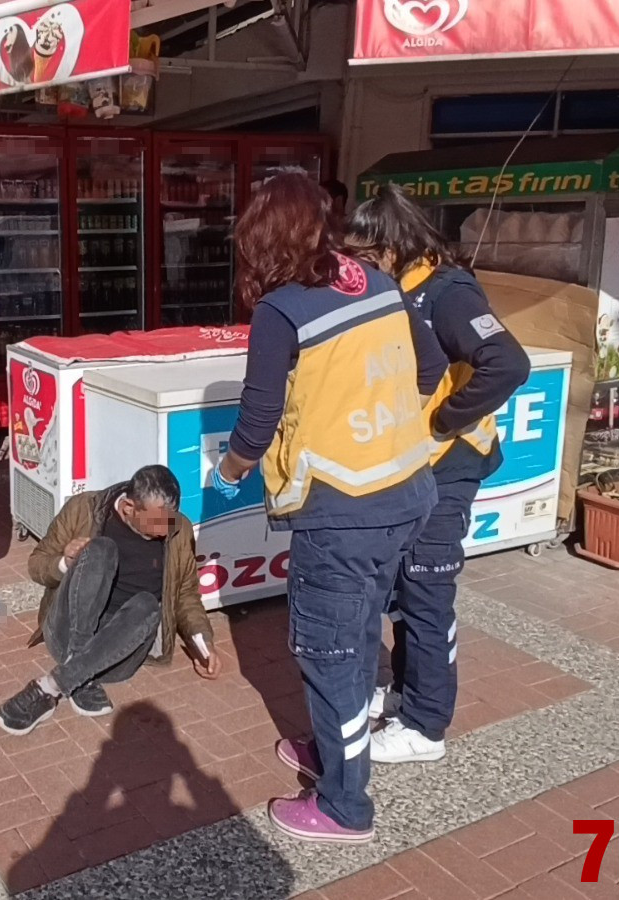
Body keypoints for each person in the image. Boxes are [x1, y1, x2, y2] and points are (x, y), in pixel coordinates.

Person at [210, 174, 447, 845]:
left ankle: (345, 806)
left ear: (262, 239)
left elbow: (255, 424)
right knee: (360, 629)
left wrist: (227, 471)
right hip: (407, 492)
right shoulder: (378, 282)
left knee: (331, 652)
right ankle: (334, 746)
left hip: (342, 511)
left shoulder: (281, 311)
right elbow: (429, 370)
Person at [345, 184, 529, 764]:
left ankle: (425, 727)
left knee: (427, 593)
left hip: (448, 467)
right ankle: (404, 693)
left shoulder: (446, 292)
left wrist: (446, 421)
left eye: (366, 256)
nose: (358, 267)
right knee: (401, 588)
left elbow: (508, 363)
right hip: (413, 465)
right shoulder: (400, 287)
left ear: (393, 244)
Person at [0, 466, 220, 735]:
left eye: (170, 521)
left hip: (122, 647)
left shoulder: (178, 529)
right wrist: (65, 562)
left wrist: (201, 641)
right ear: (127, 507)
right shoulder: (84, 508)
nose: (164, 531)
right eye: (156, 523)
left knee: (148, 605)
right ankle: (80, 667)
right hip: (70, 629)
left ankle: (51, 686)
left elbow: (185, 592)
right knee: (100, 549)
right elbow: (37, 564)